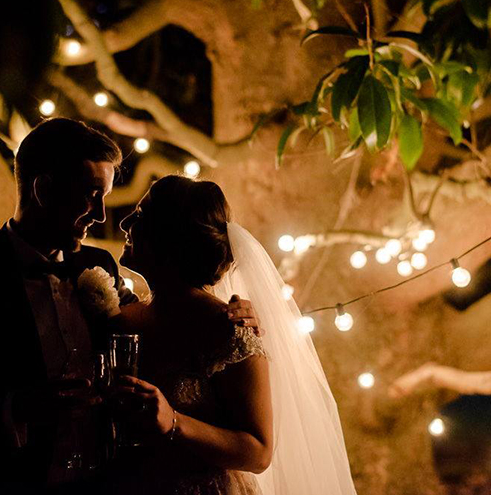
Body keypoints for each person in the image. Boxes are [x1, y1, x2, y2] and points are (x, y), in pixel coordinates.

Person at [0, 118, 260, 495]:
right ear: (43, 189)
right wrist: (15, 408)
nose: (102, 214)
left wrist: (231, 314)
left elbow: (160, 321)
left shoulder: (99, 265)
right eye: (90, 194)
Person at [106, 175, 357, 495]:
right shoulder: (121, 318)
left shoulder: (230, 330)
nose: (126, 222)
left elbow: (258, 451)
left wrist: (173, 421)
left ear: (170, 237)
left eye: (141, 215)